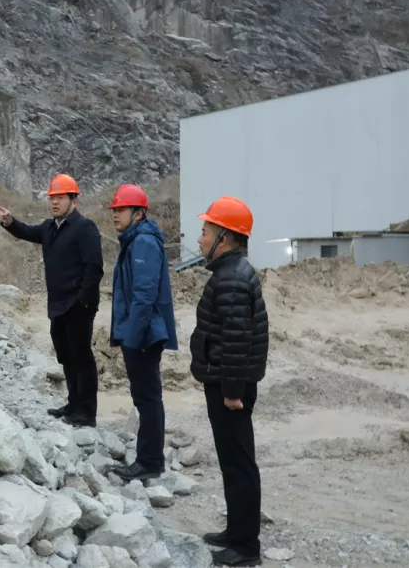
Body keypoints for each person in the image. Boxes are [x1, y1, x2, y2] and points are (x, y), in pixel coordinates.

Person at [190, 196, 269, 568]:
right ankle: (235, 531)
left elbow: (237, 340)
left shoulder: (232, 279)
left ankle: (245, 546)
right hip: (225, 381)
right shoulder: (230, 273)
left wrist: (233, 393)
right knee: (233, 462)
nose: (200, 239)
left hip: (229, 386)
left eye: (205, 232)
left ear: (224, 237)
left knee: (239, 465)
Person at [0, 174, 103, 427]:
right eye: (52, 198)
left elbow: (94, 267)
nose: (54, 202)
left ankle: (87, 412)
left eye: (60, 197)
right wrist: (10, 223)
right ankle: (73, 404)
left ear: (74, 200)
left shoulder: (84, 227)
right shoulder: (49, 228)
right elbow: (27, 231)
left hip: (77, 305)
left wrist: (84, 302)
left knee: (81, 357)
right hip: (58, 305)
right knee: (66, 356)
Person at [107, 184, 178, 482]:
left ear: (138, 213)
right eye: (114, 210)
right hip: (139, 332)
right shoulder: (134, 241)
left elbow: (145, 295)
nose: (115, 214)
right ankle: (149, 458)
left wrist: (132, 340)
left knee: (148, 399)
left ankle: (149, 462)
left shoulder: (144, 243)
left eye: (121, 209)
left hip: (144, 335)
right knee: (145, 397)